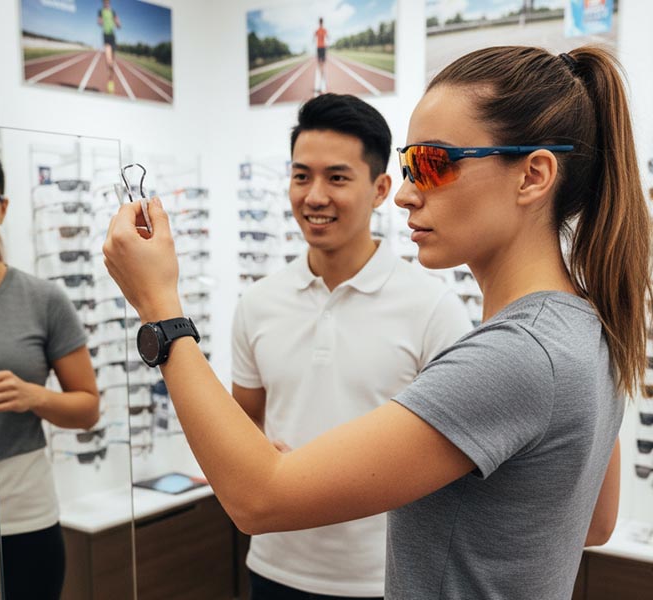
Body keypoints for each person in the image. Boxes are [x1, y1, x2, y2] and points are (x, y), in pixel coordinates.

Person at [103, 44, 648, 599]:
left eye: (435, 164)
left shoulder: (518, 354)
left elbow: (257, 498)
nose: (408, 194)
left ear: (532, 175)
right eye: (411, 166)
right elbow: (596, 521)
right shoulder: (584, 325)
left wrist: (159, 308)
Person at [232, 94, 471, 599]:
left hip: (384, 577)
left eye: (337, 178)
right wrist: (256, 448)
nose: (315, 196)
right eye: (301, 176)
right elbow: (245, 417)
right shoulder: (257, 303)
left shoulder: (433, 309)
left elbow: (455, 458)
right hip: (273, 564)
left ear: (382, 188)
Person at [0, 138, 100, 599]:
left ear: (3, 209)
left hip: (25, 511)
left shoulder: (42, 299)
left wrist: (37, 397)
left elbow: (87, 408)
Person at [98, 0, 121, 93]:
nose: (106, 2)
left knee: (113, 63)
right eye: (104, 1)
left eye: (107, 1)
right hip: (106, 36)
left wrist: (118, 23)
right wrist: (101, 21)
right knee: (109, 62)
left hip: (112, 37)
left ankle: (111, 79)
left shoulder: (113, 11)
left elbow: (117, 21)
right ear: (103, 2)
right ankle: (110, 81)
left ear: (109, 2)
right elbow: (99, 22)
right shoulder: (100, 11)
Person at [314, 18, 329, 94]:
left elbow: (314, 38)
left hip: (321, 48)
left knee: (321, 66)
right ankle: (323, 83)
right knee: (321, 66)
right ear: (322, 22)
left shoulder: (321, 30)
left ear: (319, 22)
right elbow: (327, 37)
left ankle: (323, 84)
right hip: (321, 48)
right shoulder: (321, 30)